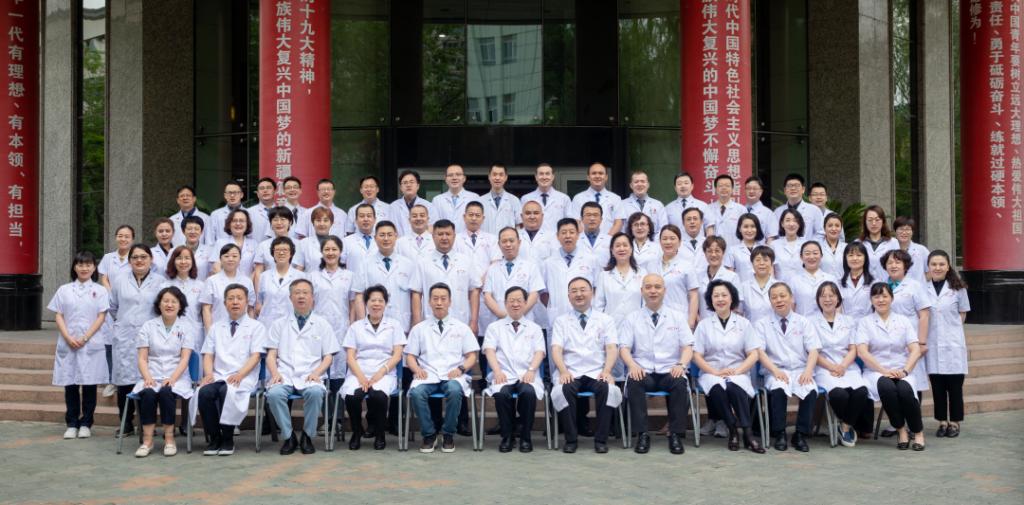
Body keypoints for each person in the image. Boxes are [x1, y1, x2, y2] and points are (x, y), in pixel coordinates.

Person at [618, 274, 693, 454]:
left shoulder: (677, 316)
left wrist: (681, 365)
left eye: (657, 287)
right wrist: (632, 366)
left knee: (679, 383)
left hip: (669, 370)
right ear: (642, 291)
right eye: (648, 287)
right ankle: (642, 434)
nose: (653, 291)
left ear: (664, 290)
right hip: (643, 370)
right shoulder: (632, 318)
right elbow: (624, 348)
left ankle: (675, 434)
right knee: (634, 382)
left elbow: (688, 346)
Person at [549, 277, 622, 454]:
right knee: (563, 390)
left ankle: (601, 440)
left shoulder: (605, 319)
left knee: (607, 389)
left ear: (592, 293)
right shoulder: (561, 321)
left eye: (583, 290)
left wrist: (607, 371)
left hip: (597, 371)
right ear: (568, 296)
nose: (579, 294)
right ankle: (571, 439)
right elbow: (556, 349)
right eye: (574, 291)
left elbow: (611, 348)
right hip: (571, 371)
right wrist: (563, 371)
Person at [264, 279, 337, 456]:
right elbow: (271, 355)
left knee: (315, 393)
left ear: (312, 297)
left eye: (305, 292)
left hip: (311, 375)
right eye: (297, 293)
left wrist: (317, 373)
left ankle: (307, 436)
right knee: (274, 394)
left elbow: (328, 356)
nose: (301, 296)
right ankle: (289, 436)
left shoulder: (322, 324)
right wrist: (274, 373)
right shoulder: (279, 324)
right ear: (290, 297)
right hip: (284, 374)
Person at [406, 283, 480, 453]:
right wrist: (416, 369)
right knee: (417, 393)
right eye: (435, 299)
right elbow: (410, 356)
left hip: (453, 374)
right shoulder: (419, 329)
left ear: (450, 302)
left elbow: (472, 356)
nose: (439, 302)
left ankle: (448, 434)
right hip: (428, 375)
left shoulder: (461, 328)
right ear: (429, 302)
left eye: (443, 299)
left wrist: (461, 369)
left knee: (454, 391)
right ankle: (429, 435)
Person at [692, 279, 765, 453]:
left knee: (734, 387)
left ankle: (747, 433)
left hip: (737, 371)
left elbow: (754, 353)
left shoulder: (744, 324)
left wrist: (737, 371)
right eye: (716, 296)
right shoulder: (704, 325)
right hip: (711, 372)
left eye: (724, 295)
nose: (720, 299)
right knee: (717, 387)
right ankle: (733, 429)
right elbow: (696, 355)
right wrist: (715, 372)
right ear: (710, 300)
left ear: (732, 298)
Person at [198, 284, 267, 456]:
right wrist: (208, 374)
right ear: (224, 303)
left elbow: (256, 356)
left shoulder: (256, 327)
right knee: (205, 392)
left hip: (244, 376)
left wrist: (240, 374)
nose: (235, 302)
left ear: (246, 302)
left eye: (239, 298)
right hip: (219, 374)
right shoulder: (216, 327)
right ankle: (215, 438)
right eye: (231, 298)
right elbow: (208, 354)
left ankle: (227, 438)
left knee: (226, 391)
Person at [856, 283, 926, 451]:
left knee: (905, 391)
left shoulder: (903, 321)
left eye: (885, 296)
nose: (881, 300)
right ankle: (901, 430)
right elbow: (862, 352)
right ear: (871, 300)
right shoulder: (865, 322)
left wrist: (905, 371)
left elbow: (915, 349)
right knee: (886, 387)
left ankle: (918, 432)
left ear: (892, 298)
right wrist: (884, 371)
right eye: (876, 296)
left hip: (902, 370)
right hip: (876, 371)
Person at [130, 286, 196, 457]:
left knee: (167, 392)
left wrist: (173, 378)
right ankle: (147, 441)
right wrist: (148, 378)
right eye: (165, 301)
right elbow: (142, 358)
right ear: (159, 304)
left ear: (180, 305)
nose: (169, 305)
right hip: (151, 374)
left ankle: (169, 439)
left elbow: (185, 359)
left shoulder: (187, 327)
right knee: (148, 393)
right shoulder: (148, 326)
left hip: (177, 377)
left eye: (174, 301)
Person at [50, 251, 109, 440]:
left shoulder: (100, 291)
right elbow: (58, 315)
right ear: (74, 267)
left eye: (88, 264)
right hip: (68, 343)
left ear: (94, 268)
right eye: (80, 264)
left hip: (90, 343)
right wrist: (68, 337)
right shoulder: (64, 289)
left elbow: (101, 316)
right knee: (70, 385)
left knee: (90, 385)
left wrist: (85, 338)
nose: (84, 268)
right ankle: (72, 423)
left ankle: (86, 423)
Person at [756, 282, 821, 452]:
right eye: (774, 297)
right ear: (770, 301)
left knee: (810, 390)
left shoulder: (804, 322)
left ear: (791, 298)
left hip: (800, 369)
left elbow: (813, 350)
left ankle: (800, 434)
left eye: (782, 296)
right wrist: (775, 371)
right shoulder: (762, 324)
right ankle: (780, 433)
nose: (779, 300)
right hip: (776, 369)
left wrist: (808, 371)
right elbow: (760, 352)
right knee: (778, 389)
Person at [109, 244, 166, 437]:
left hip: (150, 337)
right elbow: (113, 306)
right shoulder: (119, 280)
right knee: (124, 382)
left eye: (143, 257)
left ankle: (147, 423)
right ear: (130, 261)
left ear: (151, 259)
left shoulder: (160, 282)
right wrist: (125, 322)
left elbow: (162, 308)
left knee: (147, 380)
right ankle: (126, 423)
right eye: (135, 257)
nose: (139, 260)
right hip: (125, 336)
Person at [482, 286, 546, 452]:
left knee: (528, 393)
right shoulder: (494, 327)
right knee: (502, 394)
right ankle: (507, 437)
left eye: (519, 300)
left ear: (525, 303)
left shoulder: (534, 328)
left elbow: (540, 352)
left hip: (527, 374)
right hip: (503, 373)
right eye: (511, 301)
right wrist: (497, 371)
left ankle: (525, 437)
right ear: (505, 303)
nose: (515, 304)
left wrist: (531, 370)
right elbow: (489, 351)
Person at [342, 285, 406, 450]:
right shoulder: (356, 327)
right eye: (372, 300)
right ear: (366, 303)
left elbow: (397, 355)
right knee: (352, 396)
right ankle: (357, 432)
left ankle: (380, 433)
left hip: (385, 372)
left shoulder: (394, 325)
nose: (376, 304)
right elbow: (350, 357)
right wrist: (361, 377)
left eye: (380, 300)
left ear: (385, 303)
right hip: (358, 372)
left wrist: (380, 373)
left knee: (378, 396)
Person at [812, 281, 872, 446]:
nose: (827, 299)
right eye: (823, 296)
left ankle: (845, 426)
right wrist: (832, 367)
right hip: (824, 368)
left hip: (847, 366)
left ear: (838, 298)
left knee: (861, 392)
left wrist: (843, 366)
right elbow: (813, 352)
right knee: (839, 395)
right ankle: (847, 424)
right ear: (818, 300)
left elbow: (853, 348)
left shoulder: (848, 320)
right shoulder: (811, 322)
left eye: (831, 295)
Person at [309, 235, 358, 431]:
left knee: (339, 373)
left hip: (342, 329)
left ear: (340, 252)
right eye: (327, 249)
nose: (330, 253)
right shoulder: (313, 276)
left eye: (334, 249)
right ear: (322, 252)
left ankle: (338, 419)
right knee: (321, 372)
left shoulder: (349, 276)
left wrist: (351, 325)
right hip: (318, 330)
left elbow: (352, 303)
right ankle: (326, 419)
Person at [925, 250, 971, 438]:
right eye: (934, 264)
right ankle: (942, 421)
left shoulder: (958, 289)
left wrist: (952, 331)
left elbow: (963, 313)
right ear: (928, 267)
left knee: (954, 387)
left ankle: (955, 422)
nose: (937, 268)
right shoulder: (923, 288)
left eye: (941, 264)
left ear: (948, 266)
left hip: (953, 344)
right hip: (932, 343)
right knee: (937, 387)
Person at [883, 249, 933, 399]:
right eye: (890, 262)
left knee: (913, 383)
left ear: (905, 265)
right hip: (888, 341)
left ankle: (914, 413)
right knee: (892, 381)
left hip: (911, 342)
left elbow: (924, 315)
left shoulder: (914, 286)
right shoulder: (881, 286)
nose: (893, 265)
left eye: (898, 262)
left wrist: (921, 343)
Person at [355, 221, 422, 333]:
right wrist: (363, 325)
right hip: (373, 326)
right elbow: (359, 296)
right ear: (375, 238)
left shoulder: (408, 264)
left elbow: (414, 296)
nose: (386, 239)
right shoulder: (365, 264)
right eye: (382, 235)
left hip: (402, 325)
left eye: (389, 235)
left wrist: (415, 326)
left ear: (396, 237)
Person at [417, 219, 482, 335]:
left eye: (448, 234)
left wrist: (474, 321)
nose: (444, 237)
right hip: (430, 322)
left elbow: (474, 291)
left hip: (461, 321)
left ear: (454, 236)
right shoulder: (422, 262)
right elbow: (416, 293)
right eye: (440, 234)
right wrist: (417, 323)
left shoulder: (466, 261)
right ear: (433, 237)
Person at [481, 227, 545, 339]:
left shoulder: (530, 267)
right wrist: (503, 315)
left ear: (519, 242)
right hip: (499, 321)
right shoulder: (492, 269)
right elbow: (487, 296)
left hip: (525, 320)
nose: (508, 244)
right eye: (504, 241)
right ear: (499, 244)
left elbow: (534, 295)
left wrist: (517, 314)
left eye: (511, 241)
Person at [541, 218, 598, 328]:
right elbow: (544, 294)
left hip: (585, 315)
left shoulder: (590, 259)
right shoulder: (548, 263)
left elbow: (596, 288)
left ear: (578, 235)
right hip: (558, 315)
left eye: (571, 232)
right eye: (563, 232)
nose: (568, 236)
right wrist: (554, 306)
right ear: (557, 236)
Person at [99, 225, 135, 397]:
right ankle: (111, 380)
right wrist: (111, 292)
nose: (123, 239)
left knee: (127, 345)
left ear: (132, 239)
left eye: (127, 236)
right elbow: (104, 277)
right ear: (115, 237)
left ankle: (128, 379)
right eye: (120, 235)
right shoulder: (108, 258)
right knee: (109, 343)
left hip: (128, 304)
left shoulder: (135, 257)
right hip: (110, 303)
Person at [643, 224, 699, 330]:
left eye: (672, 238)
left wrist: (691, 321)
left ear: (680, 242)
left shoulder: (687, 266)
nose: (668, 242)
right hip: (654, 317)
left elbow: (694, 295)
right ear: (660, 242)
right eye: (664, 239)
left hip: (679, 317)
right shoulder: (651, 265)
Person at [594, 232, 647, 326]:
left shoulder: (642, 273)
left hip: (637, 325)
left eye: (625, 245)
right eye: (617, 246)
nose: (622, 248)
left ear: (631, 249)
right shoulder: (604, 275)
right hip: (611, 327)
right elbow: (599, 306)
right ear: (612, 250)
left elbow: (645, 303)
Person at [200, 244, 256, 332]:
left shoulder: (247, 281)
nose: (230, 259)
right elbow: (206, 309)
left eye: (234, 256)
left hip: (243, 331)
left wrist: (250, 331)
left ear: (240, 259)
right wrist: (210, 333)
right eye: (226, 256)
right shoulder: (212, 281)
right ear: (220, 259)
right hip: (217, 330)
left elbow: (250, 309)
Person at [255, 237, 307, 325]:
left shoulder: (301, 277)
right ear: (272, 253)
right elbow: (260, 302)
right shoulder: (264, 276)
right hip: (268, 324)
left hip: (291, 324)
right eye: (277, 250)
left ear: (291, 253)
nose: (281, 253)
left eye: (285, 250)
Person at [163, 246, 205, 348]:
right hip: (171, 334)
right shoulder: (165, 286)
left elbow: (205, 313)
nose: (183, 262)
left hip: (195, 333)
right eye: (179, 258)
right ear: (173, 261)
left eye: (187, 258)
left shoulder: (201, 286)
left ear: (192, 261)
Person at [696, 236, 741, 318]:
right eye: (709, 251)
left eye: (717, 251)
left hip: (725, 322)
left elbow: (736, 305)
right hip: (703, 322)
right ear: (705, 253)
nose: (713, 254)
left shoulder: (732, 277)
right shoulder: (697, 276)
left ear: (723, 253)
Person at [788, 241, 836, 317]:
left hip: (825, 322)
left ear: (821, 256)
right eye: (807, 254)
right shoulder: (794, 281)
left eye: (815, 253)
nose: (811, 257)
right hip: (802, 322)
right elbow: (791, 307)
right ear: (801, 257)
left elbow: (837, 305)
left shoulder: (831, 279)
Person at [571, 162, 621, 235]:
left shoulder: (616, 199)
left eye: (601, 173)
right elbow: (576, 221)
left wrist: (607, 239)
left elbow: (618, 223)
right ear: (588, 177)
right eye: (594, 173)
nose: (597, 176)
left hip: (609, 240)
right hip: (584, 240)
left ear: (606, 177)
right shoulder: (578, 198)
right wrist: (586, 239)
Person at [521, 163, 571, 234]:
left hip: (556, 239)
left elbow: (569, 223)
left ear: (552, 177)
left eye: (547, 174)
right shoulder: (526, 199)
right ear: (536, 177)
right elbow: (522, 224)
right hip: (534, 239)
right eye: (541, 174)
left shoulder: (564, 198)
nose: (544, 177)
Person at [252, 206, 298, 284]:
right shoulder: (263, 246)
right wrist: (258, 291)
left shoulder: (299, 245)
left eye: (283, 219)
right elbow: (258, 272)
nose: (279, 223)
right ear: (271, 224)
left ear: (290, 223)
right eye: (275, 220)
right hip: (269, 287)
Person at [613, 171, 666, 236]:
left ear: (648, 185)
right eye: (636, 182)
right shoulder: (622, 204)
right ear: (631, 185)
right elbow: (621, 229)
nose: (639, 184)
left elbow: (663, 228)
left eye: (642, 181)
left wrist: (652, 241)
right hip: (630, 241)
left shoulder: (658, 205)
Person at [432, 164, 480, 234]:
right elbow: (435, 224)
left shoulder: (474, 197)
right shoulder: (437, 200)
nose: (454, 178)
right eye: (450, 175)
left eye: (458, 174)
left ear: (464, 178)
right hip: (444, 238)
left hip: (467, 239)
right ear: (446, 179)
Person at [772, 173, 822, 240]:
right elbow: (775, 234)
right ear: (785, 191)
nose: (793, 188)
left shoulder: (814, 210)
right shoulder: (777, 212)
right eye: (789, 186)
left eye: (797, 185)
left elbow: (820, 233)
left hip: (807, 246)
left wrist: (809, 245)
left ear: (803, 189)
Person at [211, 208, 258, 278]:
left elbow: (257, 269)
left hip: (248, 283)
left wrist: (247, 282)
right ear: (229, 224)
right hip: (225, 283)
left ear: (247, 224)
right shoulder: (220, 243)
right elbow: (216, 267)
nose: (238, 223)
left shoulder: (254, 244)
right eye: (234, 221)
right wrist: (228, 282)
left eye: (241, 221)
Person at [740, 245, 780, 325]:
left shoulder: (779, 286)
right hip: (751, 329)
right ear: (752, 263)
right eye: (757, 260)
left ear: (772, 263)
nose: (761, 263)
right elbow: (739, 313)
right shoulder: (743, 287)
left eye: (766, 260)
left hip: (774, 330)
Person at [859, 205, 899, 282]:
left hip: (887, 285)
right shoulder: (858, 243)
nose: (874, 223)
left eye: (877, 220)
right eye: (870, 220)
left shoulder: (893, 243)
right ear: (865, 222)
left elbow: (897, 266)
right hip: (864, 285)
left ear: (883, 221)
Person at [480, 163, 522, 236]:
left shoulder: (514, 200)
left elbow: (519, 226)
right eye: (494, 174)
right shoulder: (480, 201)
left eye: (501, 175)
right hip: (486, 242)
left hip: (508, 241)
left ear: (506, 177)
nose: (497, 178)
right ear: (489, 177)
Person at [389, 171, 433, 237]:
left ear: (418, 186)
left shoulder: (429, 206)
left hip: (423, 242)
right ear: (401, 187)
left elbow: (432, 227)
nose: (408, 185)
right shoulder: (393, 207)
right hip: (399, 243)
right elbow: (389, 229)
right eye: (405, 183)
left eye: (411, 182)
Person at [839, 242, 875, 319]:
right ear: (845, 258)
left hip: (868, 324)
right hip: (845, 324)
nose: (855, 258)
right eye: (851, 255)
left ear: (865, 258)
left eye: (859, 255)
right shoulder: (839, 283)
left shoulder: (874, 283)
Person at [342, 203, 380, 275]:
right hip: (354, 281)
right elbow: (340, 266)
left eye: (369, 216)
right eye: (362, 216)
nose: (366, 219)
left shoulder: (382, 241)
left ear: (375, 219)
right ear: (356, 220)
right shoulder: (346, 242)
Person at [709, 174, 747, 247]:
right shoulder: (708, 209)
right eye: (720, 186)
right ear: (715, 189)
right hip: (713, 250)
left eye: (727, 186)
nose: (724, 188)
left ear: (732, 189)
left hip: (735, 249)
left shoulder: (741, 209)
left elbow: (745, 232)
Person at [728, 213, 766, 283]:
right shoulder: (733, 250)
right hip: (740, 288)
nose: (749, 230)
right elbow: (730, 276)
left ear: (757, 229)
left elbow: (770, 273)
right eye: (746, 227)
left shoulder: (765, 249)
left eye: (753, 226)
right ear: (740, 229)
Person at [294, 207, 335, 272]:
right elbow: (299, 270)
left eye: (325, 220)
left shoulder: (337, 243)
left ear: (331, 223)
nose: (322, 224)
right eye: (318, 220)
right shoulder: (304, 243)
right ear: (313, 223)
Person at [771, 209, 807, 281]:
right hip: (781, 285)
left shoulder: (806, 244)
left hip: (803, 285)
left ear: (799, 224)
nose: (791, 224)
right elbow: (771, 269)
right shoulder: (774, 245)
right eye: (788, 220)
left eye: (795, 221)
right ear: (782, 224)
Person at [893, 216, 930, 283]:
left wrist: (921, 282)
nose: (904, 232)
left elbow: (931, 271)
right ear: (895, 231)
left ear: (912, 232)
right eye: (901, 229)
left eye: (907, 229)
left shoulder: (922, 250)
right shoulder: (890, 249)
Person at [575, 201, 612, 267]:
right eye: (588, 215)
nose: (592, 218)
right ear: (581, 219)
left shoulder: (610, 240)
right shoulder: (574, 240)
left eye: (595, 215)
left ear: (601, 219)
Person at [743, 176, 778, 241]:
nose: (751, 191)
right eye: (748, 188)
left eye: (755, 189)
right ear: (745, 191)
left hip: (760, 247)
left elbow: (771, 237)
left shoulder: (768, 213)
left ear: (761, 191)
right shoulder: (739, 210)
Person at [180, 216, 213, 281]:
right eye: (189, 229)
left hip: (203, 286)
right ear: (183, 231)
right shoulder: (174, 251)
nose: (193, 232)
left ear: (201, 231)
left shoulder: (210, 251)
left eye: (196, 229)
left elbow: (213, 273)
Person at [247, 177, 280, 242]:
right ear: (257, 194)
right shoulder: (248, 212)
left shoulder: (282, 212)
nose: (265, 191)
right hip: (256, 247)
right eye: (262, 188)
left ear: (275, 191)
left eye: (268, 188)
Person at [820, 213, 847, 279]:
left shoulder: (847, 247)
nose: (834, 229)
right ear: (824, 228)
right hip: (823, 283)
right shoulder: (818, 248)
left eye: (837, 226)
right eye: (830, 226)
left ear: (841, 228)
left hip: (843, 284)